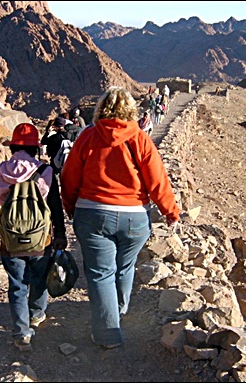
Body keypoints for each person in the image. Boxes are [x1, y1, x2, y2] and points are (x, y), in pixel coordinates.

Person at [60, 86, 181, 349]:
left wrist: (70, 208)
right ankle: (119, 312)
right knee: (125, 268)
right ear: (130, 110)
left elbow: (69, 177)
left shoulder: (88, 137)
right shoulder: (140, 139)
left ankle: (107, 334)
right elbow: (157, 180)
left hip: (92, 215)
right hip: (134, 218)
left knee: (101, 273)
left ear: (101, 108)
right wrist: (170, 212)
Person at [0, 122, 67, 351]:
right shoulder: (45, 171)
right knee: (39, 278)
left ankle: (21, 332)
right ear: (35, 148)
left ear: (12, 148)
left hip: (10, 239)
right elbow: (55, 207)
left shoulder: (0, 171)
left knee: (17, 284)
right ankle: (36, 315)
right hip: (41, 239)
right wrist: (60, 234)